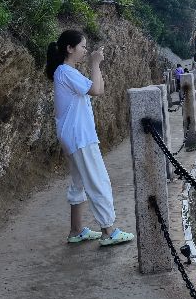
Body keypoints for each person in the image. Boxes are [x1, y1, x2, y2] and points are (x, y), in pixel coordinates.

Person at [44, 29, 135, 247]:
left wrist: (97, 65)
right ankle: (108, 231)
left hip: (73, 136)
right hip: (80, 137)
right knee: (98, 180)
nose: (85, 51)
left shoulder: (66, 72)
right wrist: (95, 63)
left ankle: (76, 231)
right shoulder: (66, 71)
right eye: (82, 47)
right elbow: (95, 89)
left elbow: (99, 88)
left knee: (78, 183)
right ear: (69, 48)